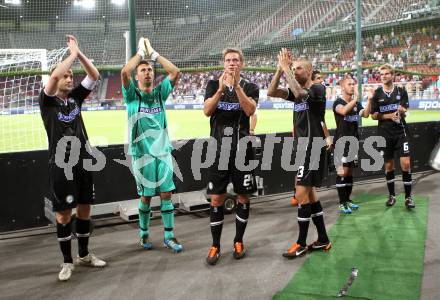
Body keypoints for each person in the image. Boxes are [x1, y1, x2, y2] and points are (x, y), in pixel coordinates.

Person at [39, 35, 106, 281]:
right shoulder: (46, 101)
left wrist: (80, 55)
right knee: (64, 214)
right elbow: (55, 76)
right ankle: (67, 262)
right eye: (67, 76)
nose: (70, 78)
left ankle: (85, 254)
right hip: (61, 166)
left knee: (85, 209)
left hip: (83, 161)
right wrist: (72, 54)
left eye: (71, 76)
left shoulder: (76, 98)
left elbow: (95, 75)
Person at [120, 37, 184, 252]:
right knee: (146, 196)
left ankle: (169, 236)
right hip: (142, 155)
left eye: (150, 70)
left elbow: (175, 72)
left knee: (167, 195)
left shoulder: (159, 94)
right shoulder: (131, 96)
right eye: (143, 70)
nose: (148, 72)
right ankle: (143, 235)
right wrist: (140, 53)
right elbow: (123, 73)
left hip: (163, 152)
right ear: (137, 76)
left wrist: (154, 55)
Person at [268, 48, 331, 258]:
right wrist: (280, 70)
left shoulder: (318, 89)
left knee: (301, 194)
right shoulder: (296, 95)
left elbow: (300, 93)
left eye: (298, 68)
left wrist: (286, 68)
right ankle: (323, 239)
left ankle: (301, 243)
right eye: (293, 68)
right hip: (303, 147)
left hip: (313, 148)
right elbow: (271, 92)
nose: (295, 71)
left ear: (310, 70)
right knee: (311, 195)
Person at [203, 48, 259, 265]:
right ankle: (215, 245)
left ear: (242, 63)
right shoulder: (211, 84)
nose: (232, 63)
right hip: (218, 151)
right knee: (216, 198)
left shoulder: (250, 86)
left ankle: (238, 240)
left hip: (242, 151)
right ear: (223, 63)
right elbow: (207, 111)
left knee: (243, 197)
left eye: (235, 60)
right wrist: (219, 91)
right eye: (228, 60)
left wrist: (236, 87)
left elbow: (250, 110)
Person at [370, 64, 415, 209]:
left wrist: (401, 110)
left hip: (401, 133)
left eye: (387, 73)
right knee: (389, 166)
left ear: (393, 75)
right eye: (382, 74)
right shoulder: (377, 94)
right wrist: (389, 115)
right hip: (384, 134)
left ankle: (408, 197)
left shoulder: (401, 91)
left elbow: (405, 107)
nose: (384, 76)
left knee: (406, 164)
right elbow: (373, 116)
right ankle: (392, 195)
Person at [290, 69, 332, 206]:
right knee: (309, 190)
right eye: (318, 78)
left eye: (321, 78)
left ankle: (297, 194)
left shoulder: (318, 89)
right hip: (302, 140)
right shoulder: (303, 92)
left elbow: (320, 119)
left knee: (304, 189)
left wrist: (327, 136)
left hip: (312, 142)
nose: (321, 80)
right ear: (311, 78)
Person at [333, 74, 372, 214]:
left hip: (353, 141)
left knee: (349, 173)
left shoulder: (356, 104)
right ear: (342, 86)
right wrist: (355, 99)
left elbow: (366, 115)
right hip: (341, 142)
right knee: (342, 172)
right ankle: (342, 203)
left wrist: (370, 101)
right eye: (349, 84)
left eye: (353, 84)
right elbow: (343, 111)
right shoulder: (337, 102)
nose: (352, 86)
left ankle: (347, 200)